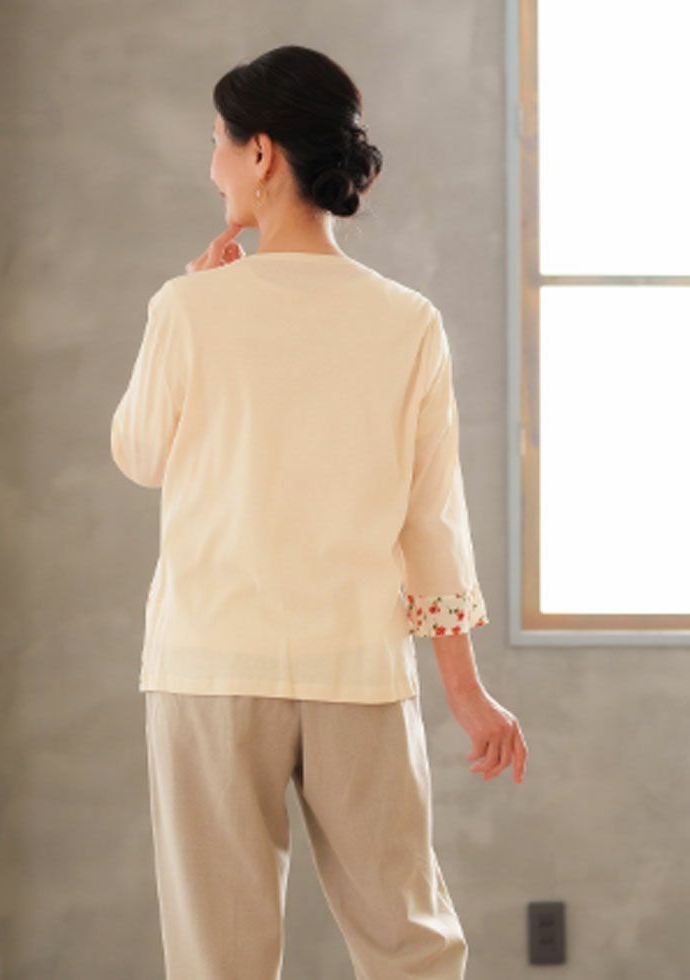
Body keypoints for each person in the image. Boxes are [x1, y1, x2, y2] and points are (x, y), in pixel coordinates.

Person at [111, 43, 528, 980]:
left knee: (218, 960)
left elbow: (139, 455)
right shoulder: (408, 320)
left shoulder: (188, 308)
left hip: (210, 667)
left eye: (217, 142)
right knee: (413, 947)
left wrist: (186, 304)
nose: (211, 165)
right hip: (359, 669)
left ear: (260, 152)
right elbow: (432, 521)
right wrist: (465, 693)